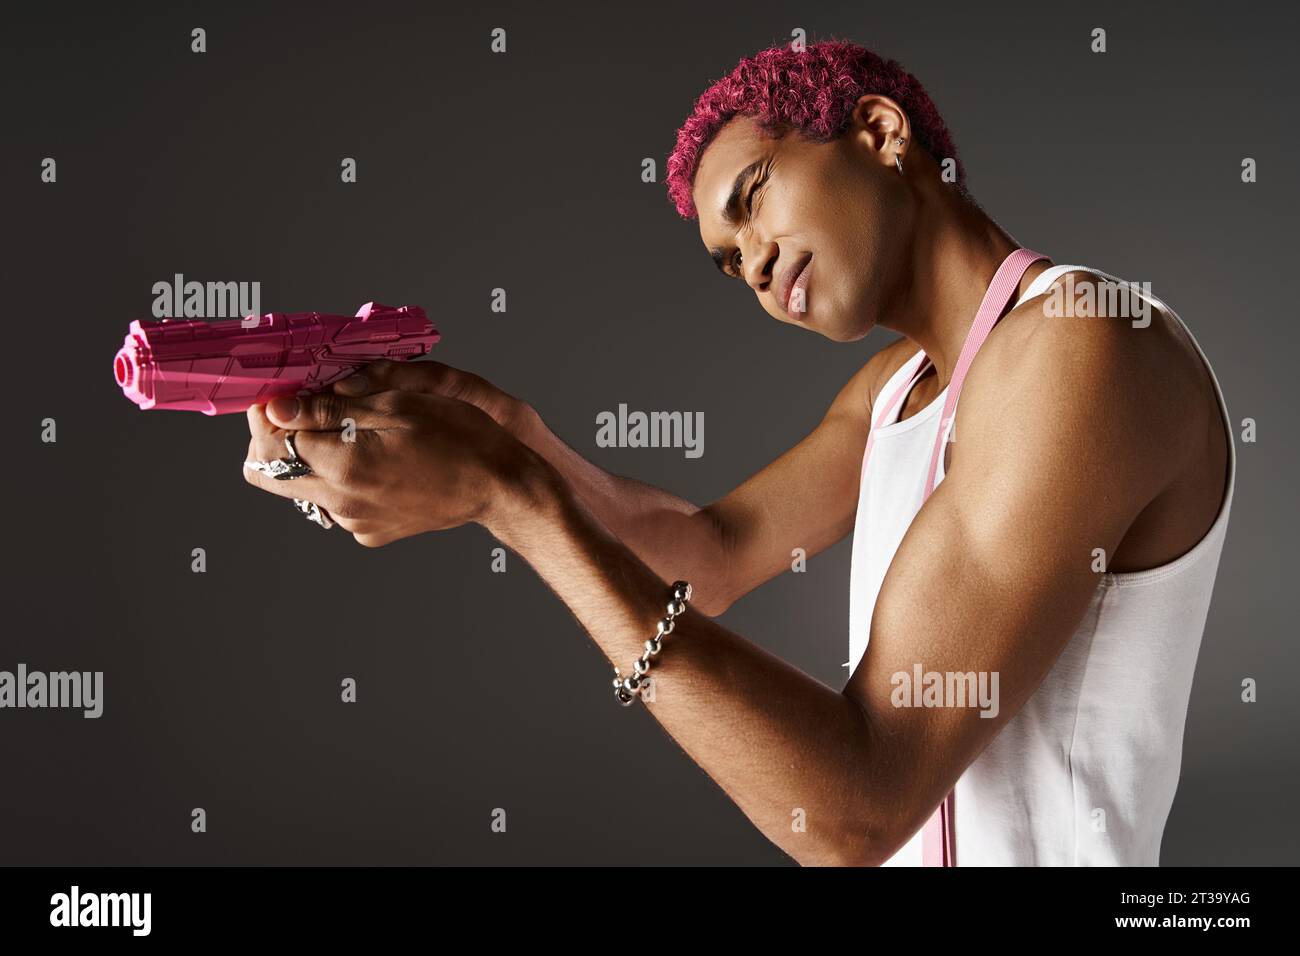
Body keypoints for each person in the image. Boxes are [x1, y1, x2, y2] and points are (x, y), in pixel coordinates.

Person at [240, 39, 1234, 866]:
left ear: (879, 133)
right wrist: (504, 434)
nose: (751, 261)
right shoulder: (891, 392)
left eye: (753, 197)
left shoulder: (1084, 344)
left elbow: (858, 803)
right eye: (727, 260)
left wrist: (512, 497)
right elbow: (705, 553)